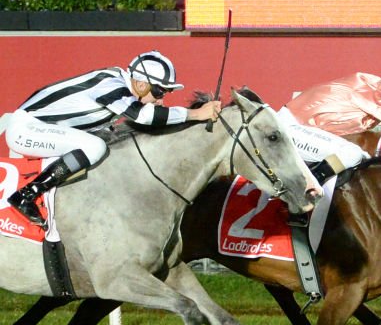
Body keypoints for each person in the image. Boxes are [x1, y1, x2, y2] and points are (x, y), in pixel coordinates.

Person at [5, 50, 221, 227]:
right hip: (26, 130)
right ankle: (26, 195)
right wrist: (196, 113)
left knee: (106, 147)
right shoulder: (111, 85)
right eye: (158, 92)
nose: (160, 100)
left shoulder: (119, 86)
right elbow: (143, 116)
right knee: (94, 146)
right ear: (141, 84)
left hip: (41, 127)